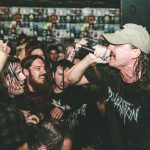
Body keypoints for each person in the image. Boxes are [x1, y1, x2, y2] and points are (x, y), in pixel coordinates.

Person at [65, 23, 150, 150]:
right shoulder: (109, 71)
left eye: (116, 44)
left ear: (135, 52)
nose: (110, 47)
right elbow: (69, 79)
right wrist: (89, 59)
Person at [0, 56, 28, 150]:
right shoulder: (8, 112)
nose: (24, 77)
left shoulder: (10, 105)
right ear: (5, 79)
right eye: (18, 73)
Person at [15, 55, 51, 122]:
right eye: (38, 68)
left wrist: (58, 109)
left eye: (44, 68)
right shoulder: (18, 95)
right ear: (27, 72)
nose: (44, 72)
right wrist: (18, 115)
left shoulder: (47, 89)